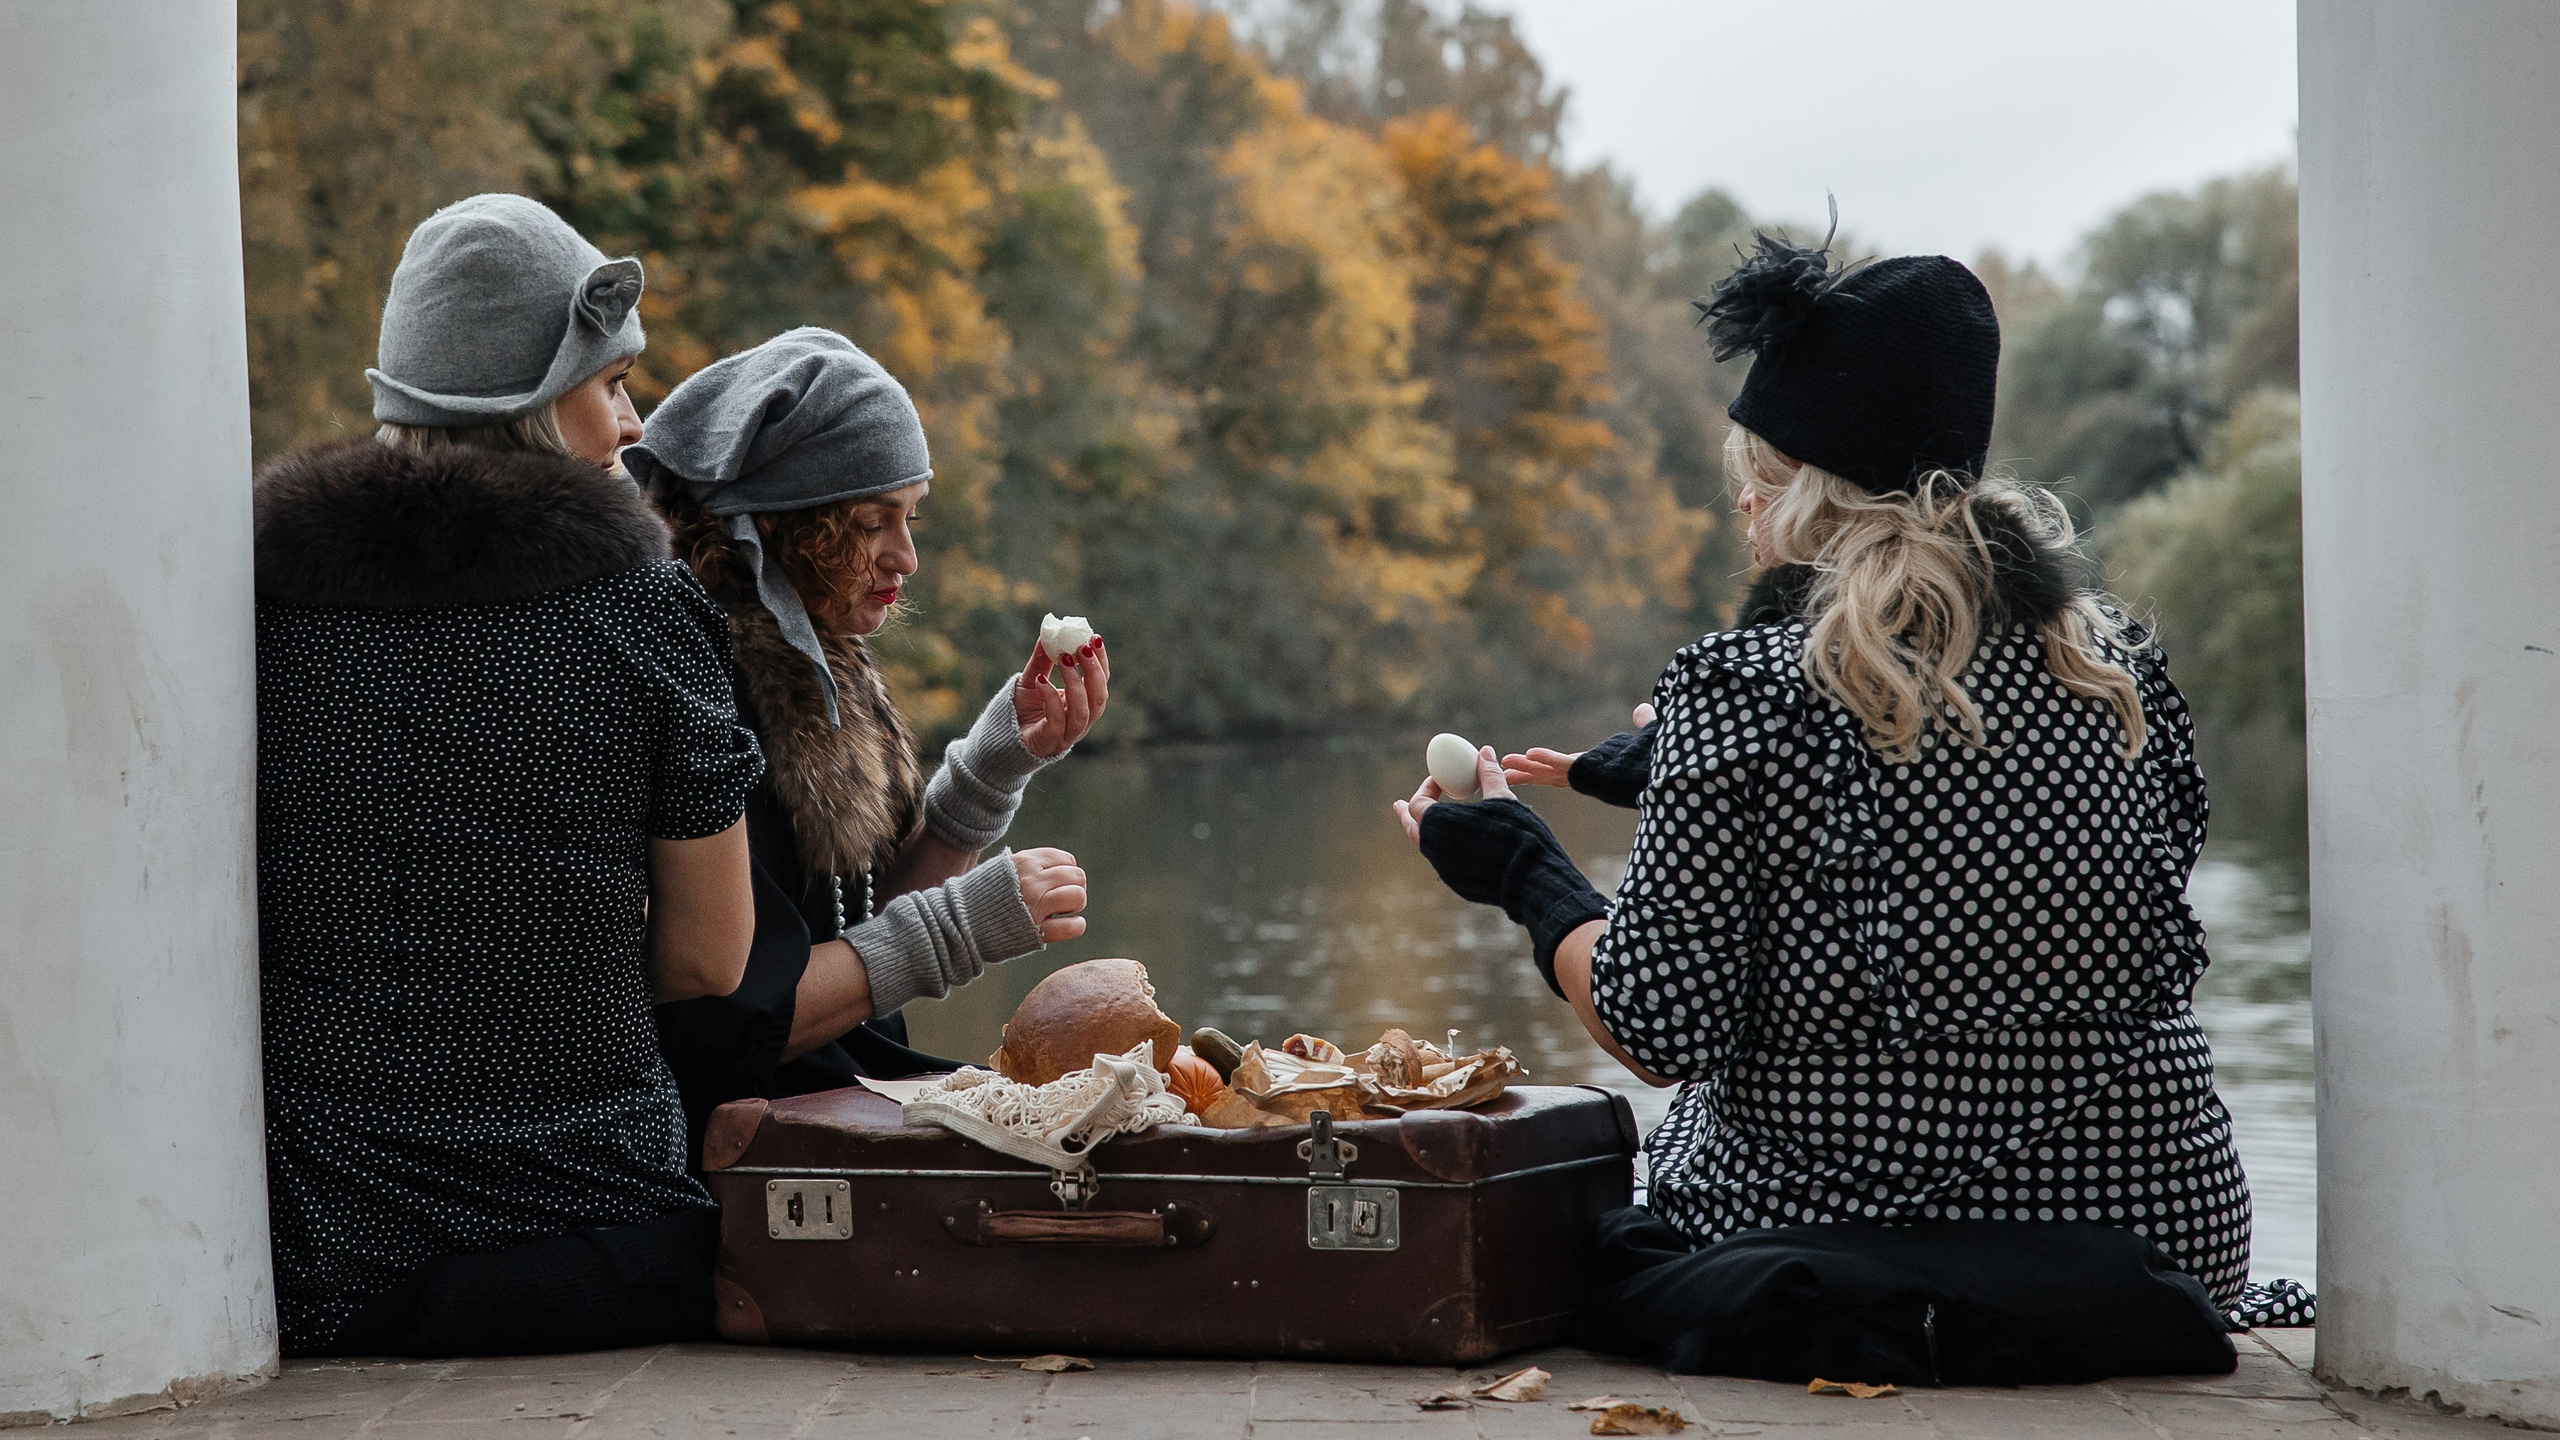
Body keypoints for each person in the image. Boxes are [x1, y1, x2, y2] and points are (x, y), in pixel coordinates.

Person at [1397, 232, 2307, 1385]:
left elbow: (1660, 1029)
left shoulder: (1748, 682)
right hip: (2164, 1239)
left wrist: (1527, 872)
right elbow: (2026, 865)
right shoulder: (2115, 666)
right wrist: (1686, 778)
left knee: (1602, 1247)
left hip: (1843, 1226)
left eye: (1762, 474)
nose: (1742, 502)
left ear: (1812, 497)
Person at [254, 194, 765, 1357]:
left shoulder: (260, 603)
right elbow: (709, 955)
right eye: (610, 387)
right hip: (588, 1235)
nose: (632, 425)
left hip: (329, 1255)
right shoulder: (640, 608)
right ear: (534, 405)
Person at [628, 328, 1105, 1137]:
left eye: (910, 518)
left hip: (837, 1110)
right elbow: (734, 1024)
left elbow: (861, 935)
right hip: (741, 1149)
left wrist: (991, 769)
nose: (908, 557)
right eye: (873, 522)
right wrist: (958, 926)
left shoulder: (818, 654)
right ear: (779, 523)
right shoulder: (703, 684)